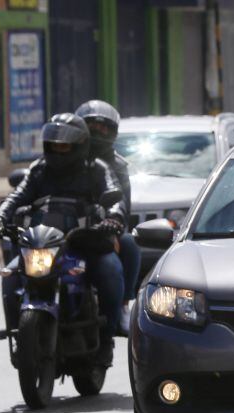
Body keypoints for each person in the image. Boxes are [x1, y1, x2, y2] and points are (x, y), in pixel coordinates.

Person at [0, 113, 127, 365]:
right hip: (43, 244)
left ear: (80, 145)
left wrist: (113, 218)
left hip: (83, 242)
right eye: (53, 145)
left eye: (64, 146)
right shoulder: (39, 169)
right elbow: (16, 196)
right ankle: (20, 338)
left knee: (110, 270)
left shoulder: (96, 169)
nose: (58, 151)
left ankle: (105, 340)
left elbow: (115, 196)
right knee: (10, 276)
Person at [75, 99, 141, 334]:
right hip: (66, 228)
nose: (97, 132)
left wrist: (112, 220)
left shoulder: (116, 166)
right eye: (91, 126)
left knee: (128, 245)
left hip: (102, 229)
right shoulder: (65, 159)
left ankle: (121, 307)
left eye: (104, 128)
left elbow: (122, 202)